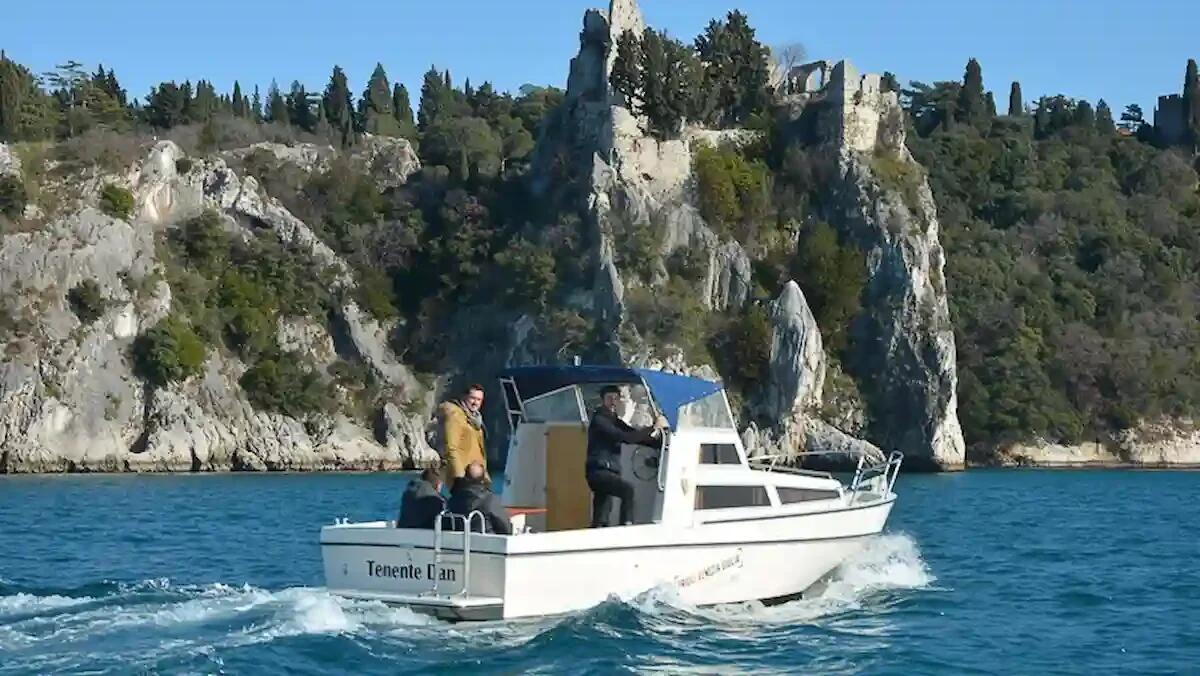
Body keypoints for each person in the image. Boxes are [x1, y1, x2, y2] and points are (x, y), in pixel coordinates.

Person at [585, 385, 667, 527]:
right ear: (602, 400)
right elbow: (625, 437)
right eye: (609, 398)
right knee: (627, 490)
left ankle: (597, 533)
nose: (612, 401)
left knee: (602, 511)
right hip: (598, 472)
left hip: (608, 471)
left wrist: (660, 442)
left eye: (615, 398)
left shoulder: (614, 420)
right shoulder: (600, 420)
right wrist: (653, 427)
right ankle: (626, 527)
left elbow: (635, 435)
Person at [434, 384, 490, 487]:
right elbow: (451, 448)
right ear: (464, 397)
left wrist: (484, 476)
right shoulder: (455, 416)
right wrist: (459, 478)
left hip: (477, 477)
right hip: (465, 478)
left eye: (479, 400)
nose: (475, 403)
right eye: (473, 398)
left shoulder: (474, 419)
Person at [445, 462, 512, 535]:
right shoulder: (490, 499)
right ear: (483, 479)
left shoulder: (453, 500)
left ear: (465, 477)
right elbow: (505, 526)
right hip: (488, 543)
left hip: (457, 544)